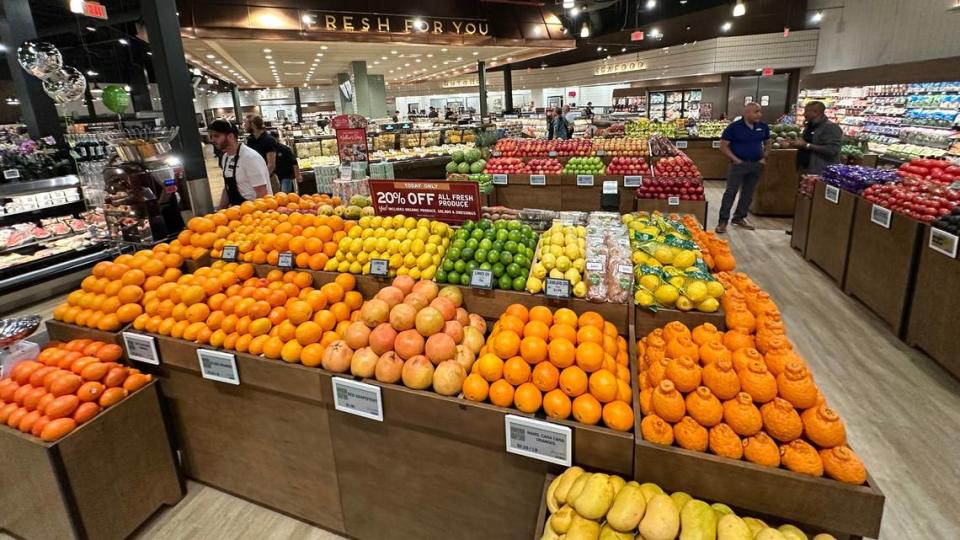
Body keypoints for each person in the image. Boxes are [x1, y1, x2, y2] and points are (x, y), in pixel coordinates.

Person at [716, 102, 770, 233]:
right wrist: (735, 160)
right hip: (738, 165)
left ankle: (739, 217)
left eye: (760, 111)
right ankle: (723, 221)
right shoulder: (734, 127)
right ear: (746, 113)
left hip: (756, 164)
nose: (759, 114)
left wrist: (764, 157)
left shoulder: (763, 127)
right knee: (730, 192)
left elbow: (768, 143)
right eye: (756, 112)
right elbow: (723, 146)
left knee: (748, 193)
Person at [208, 119, 272, 208]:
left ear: (230, 136)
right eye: (211, 136)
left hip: (254, 214)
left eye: (216, 136)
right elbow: (228, 187)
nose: (212, 140)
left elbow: (262, 192)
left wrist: (254, 215)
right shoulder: (225, 157)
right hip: (237, 213)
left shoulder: (249, 158)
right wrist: (220, 209)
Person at [792, 101, 842, 174]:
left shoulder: (831, 127)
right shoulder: (809, 126)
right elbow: (805, 143)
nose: (804, 114)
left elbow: (832, 150)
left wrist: (806, 145)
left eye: (807, 111)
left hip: (820, 171)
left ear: (816, 112)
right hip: (806, 168)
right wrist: (793, 144)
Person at [244, 115, 280, 193]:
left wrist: (261, 179)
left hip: (269, 179)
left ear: (253, 125)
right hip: (255, 180)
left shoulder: (269, 140)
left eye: (245, 123)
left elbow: (271, 165)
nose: (244, 126)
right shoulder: (250, 140)